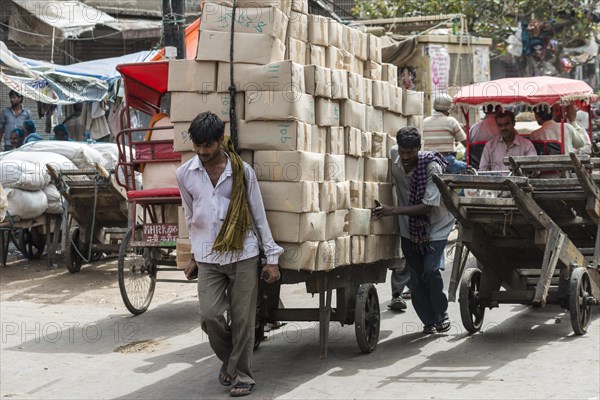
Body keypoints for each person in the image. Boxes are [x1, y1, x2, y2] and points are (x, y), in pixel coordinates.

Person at [176, 112, 283, 397]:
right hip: (209, 257)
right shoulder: (185, 174)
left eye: (207, 146)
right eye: (197, 146)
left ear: (220, 141)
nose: (202, 152)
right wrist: (193, 256)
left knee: (244, 320)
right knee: (210, 316)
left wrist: (271, 258)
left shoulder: (241, 171)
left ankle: (243, 376)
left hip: (243, 254)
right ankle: (231, 362)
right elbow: (191, 216)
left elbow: (258, 215)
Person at [373, 126, 454, 334]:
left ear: (419, 148)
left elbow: (428, 206)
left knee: (431, 270)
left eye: (411, 152)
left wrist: (393, 211)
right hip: (408, 229)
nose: (406, 157)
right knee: (416, 277)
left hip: (435, 228)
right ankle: (428, 320)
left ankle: (441, 313)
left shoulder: (432, 167)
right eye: (402, 151)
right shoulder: (394, 154)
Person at [422, 94, 467, 173]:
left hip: (427, 161)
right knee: (468, 167)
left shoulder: (425, 121)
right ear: (449, 109)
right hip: (447, 160)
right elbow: (465, 143)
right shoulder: (451, 121)